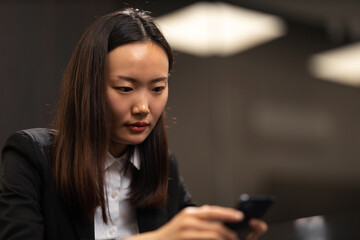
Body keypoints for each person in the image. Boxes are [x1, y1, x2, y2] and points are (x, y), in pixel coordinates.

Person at [0, 8, 267, 240]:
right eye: (126, 88)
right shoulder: (31, 156)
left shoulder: (163, 165)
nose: (143, 108)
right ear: (88, 88)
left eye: (158, 88)